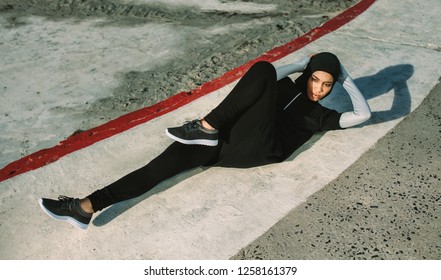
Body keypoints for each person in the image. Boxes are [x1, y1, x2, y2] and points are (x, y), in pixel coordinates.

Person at [39, 52, 371, 229]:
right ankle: (86, 207)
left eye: (327, 85)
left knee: (264, 70)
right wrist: (302, 63)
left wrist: (345, 77)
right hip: (226, 142)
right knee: (156, 169)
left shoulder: (322, 116)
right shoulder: (285, 87)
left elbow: (363, 115)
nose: (319, 89)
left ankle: (206, 125)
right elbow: (274, 75)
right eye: (315, 79)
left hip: (262, 147)